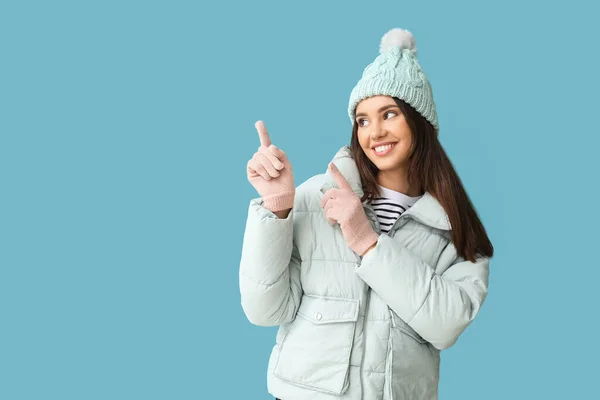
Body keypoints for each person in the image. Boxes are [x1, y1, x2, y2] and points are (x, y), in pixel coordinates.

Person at [239, 27, 494, 400]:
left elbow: (447, 325)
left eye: (389, 114)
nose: (374, 132)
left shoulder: (455, 228)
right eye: (362, 120)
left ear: (418, 121)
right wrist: (278, 208)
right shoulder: (315, 198)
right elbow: (265, 310)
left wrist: (367, 242)